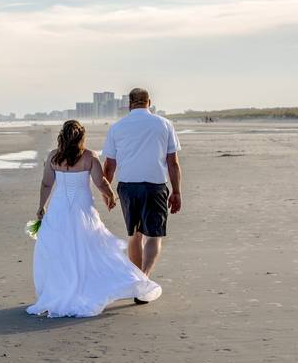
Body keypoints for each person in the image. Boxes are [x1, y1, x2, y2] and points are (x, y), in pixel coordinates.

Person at [27, 120, 161, 318]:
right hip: (83, 209)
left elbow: (47, 184)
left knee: (61, 251)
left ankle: (61, 291)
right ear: (82, 137)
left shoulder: (53, 156)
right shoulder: (89, 156)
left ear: (62, 136)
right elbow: (101, 182)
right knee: (88, 248)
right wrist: (110, 196)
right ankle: (82, 290)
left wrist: (41, 206)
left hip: (59, 209)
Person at [102, 88, 182, 299]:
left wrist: (106, 191)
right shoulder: (164, 124)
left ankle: (138, 280)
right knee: (154, 236)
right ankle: (143, 279)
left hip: (128, 186)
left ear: (129, 103)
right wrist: (177, 192)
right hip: (155, 185)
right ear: (149, 102)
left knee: (135, 235)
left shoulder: (117, 127)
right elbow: (172, 162)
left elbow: (109, 165)